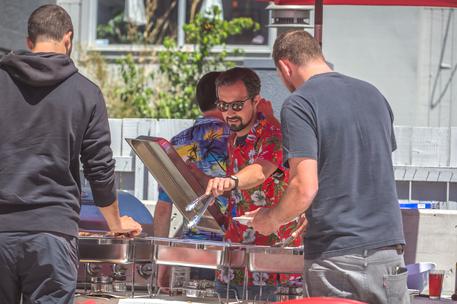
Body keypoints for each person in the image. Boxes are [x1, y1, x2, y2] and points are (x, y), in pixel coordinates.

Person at [250, 30, 409, 304]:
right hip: (388, 251)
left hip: (338, 259)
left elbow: (304, 187)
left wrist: (271, 219)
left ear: (286, 66)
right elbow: (361, 168)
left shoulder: (300, 103)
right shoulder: (373, 94)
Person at [0, 5, 142, 304]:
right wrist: (115, 225)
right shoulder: (86, 93)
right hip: (53, 234)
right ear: (69, 38)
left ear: (29, 41)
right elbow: (99, 170)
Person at [205, 67, 304, 301]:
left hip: (270, 265)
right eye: (223, 105)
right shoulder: (233, 136)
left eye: (237, 105)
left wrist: (230, 181)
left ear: (255, 100)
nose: (229, 113)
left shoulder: (272, 132)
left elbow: (261, 171)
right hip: (235, 263)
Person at [153, 71, 230, 287]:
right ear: (223, 99)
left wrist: (162, 260)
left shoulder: (176, 144)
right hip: (232, 252)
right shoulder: (236, 139)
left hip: (189, 252)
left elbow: (163, 209)